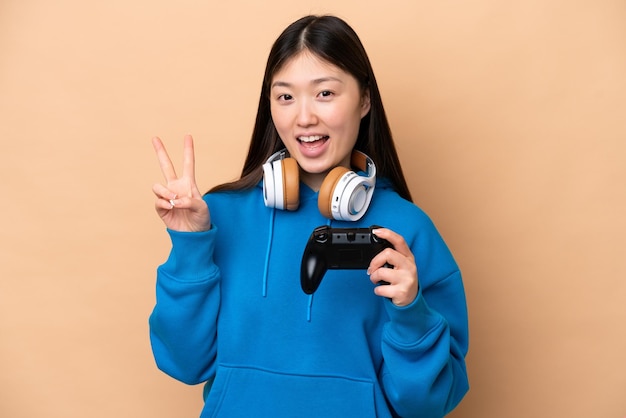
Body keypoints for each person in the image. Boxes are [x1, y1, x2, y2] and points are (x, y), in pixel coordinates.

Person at [149, 14, 469, 418]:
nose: (304, 118)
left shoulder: (408, 229)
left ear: (365, 100)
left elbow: (428, 405)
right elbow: (184, 363)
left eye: (325, 94)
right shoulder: (219, 216)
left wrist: (411, 312)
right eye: (285, 97)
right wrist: (191, 246)